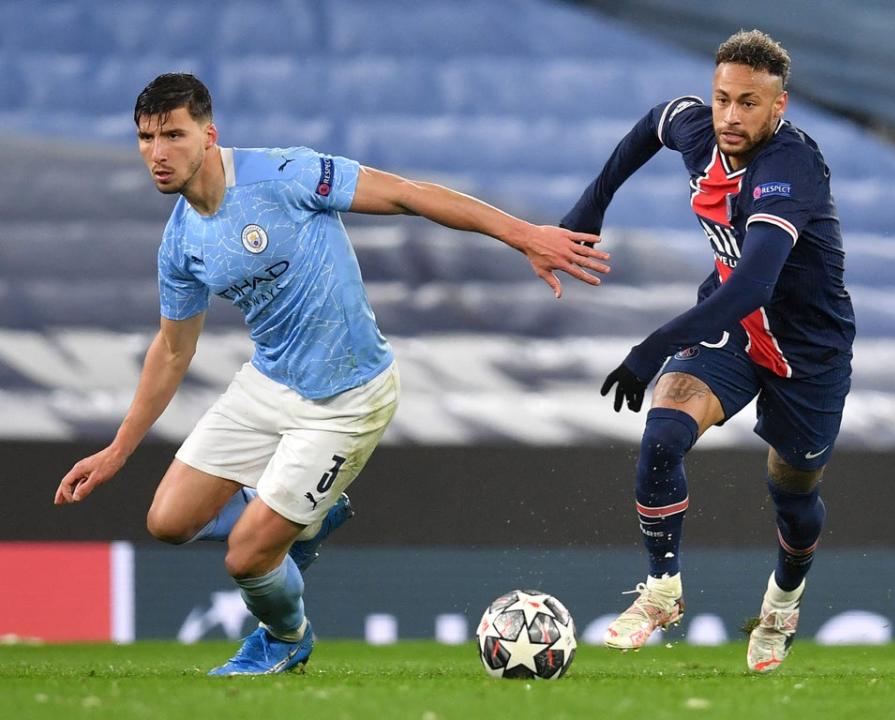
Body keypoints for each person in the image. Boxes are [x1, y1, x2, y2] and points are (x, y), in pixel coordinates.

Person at [54, 73, 609, 676]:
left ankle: (285, 636)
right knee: (167, 522)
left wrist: (525, 236)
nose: (157, 154)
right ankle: (305, 515)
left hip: (348, 396)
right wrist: (117, 450)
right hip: (268, 383)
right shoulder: (181, 242)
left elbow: (407, 194)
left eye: (173, 135)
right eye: (145, 138)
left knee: (245, 558)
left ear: (209, 135)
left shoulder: (285, 175)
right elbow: (171, 350)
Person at [560, 30, 855, 672]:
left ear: (779, 105)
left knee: (793, 491)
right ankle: (663, 591)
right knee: (662, 430)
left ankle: (782, 601)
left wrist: (652, 344)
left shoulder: (789, 167)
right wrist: (590, 208)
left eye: (748, 103)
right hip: (732, 329)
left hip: (809, 351)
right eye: (723, 98)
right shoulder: (698, 127)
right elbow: (651, 124)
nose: (729, 116)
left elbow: (756, 281)